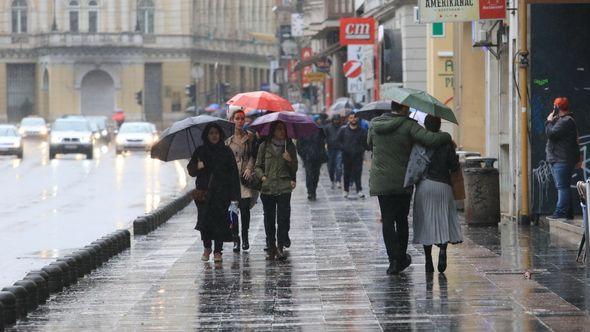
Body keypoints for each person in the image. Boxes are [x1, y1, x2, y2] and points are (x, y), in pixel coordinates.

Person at [368, 101, 452, 275]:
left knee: (387, 221)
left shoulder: (375, 125)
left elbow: (368, 143)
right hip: (402, 181)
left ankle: (393, 262)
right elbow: (431, 139)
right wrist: (447, 137)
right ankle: (401, 258)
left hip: (381, 181)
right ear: (404, 108)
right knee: (401, 220)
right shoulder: (408, 125)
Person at [411, 115, 463, 273]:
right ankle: (442, 251)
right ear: (440, 125)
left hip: (424, 186)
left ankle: (428, 259)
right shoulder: (447, 143)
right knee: (443, 221)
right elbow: (454, 166)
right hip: (444, 187)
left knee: (426, 222)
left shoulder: (419, 143)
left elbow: (413, 165)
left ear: (425, 126)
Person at [187, 123, 240, 263]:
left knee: (220, 223)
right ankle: (207, 247)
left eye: (216, 133)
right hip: (204, 194)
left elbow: (233, 174)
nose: (214, 136)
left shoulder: (226, 151)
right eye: (211, 133)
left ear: (220, 134)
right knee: (204, 224)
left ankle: (218, 251)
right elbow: (191, 171)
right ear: (207, 135)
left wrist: (235, 196)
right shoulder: (200, 151)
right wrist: (197, 167)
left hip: (221, 194)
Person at [255, 121, 298, 260]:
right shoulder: (264, 146)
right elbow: (257, 166)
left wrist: (289, 159)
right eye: (279, 129)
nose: (282, 132)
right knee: (269, 219)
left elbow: (295, 168)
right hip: (267, 188)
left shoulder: (289, 146)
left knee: (283, 218)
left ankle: (280, 246)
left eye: (283, 129)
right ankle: (271, 246)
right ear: (273, 131)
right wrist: (262, 178)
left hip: (284, 187)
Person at [226, 106, 257, 252]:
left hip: (245, 178)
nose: (239, 121)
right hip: (231, 179)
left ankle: (245, 237)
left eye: (242, 119)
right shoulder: (227, 139)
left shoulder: (250, 136)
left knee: (245, 209)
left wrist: (249, 168)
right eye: (237, 119)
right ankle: (235, 239)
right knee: (233, 210)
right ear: (231, 120)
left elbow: (253, 155)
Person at [546, 97, 580, 221]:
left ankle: (560, 212)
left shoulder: (565, 121)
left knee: (562, 187)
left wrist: (549, 121)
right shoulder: (563, 120)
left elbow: (551, 134)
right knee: (564, 186)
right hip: (560, 159)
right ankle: (568, 212)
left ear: (557, 107)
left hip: (561, 159)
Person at [337, 112, 368, 198]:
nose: (353, 120)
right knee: (346, 173)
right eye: (351, 118)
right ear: (348, 119)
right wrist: (343, 148)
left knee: (358, 173)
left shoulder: (362, 131)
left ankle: (359, 190)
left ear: (357, 119)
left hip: (358, 155)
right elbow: (338, 141)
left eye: (354, 118)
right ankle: (346, 190)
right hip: (346, 155)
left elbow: (365, 143)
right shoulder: (343, 130)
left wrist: (362, 149)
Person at [297, 124, 327, 201]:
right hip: (308, 159)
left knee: (316, 175)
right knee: (309, 174)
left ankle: (314, 190)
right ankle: (310, 192)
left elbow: (322, 143)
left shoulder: (319, 131)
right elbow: (299, 146)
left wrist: (321, 153)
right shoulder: (302, 133)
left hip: (317, 158)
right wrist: (304, 155)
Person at [324, 114, 343, 189]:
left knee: (338, 166)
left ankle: (338, 180)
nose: (336, 121)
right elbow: (324, 136)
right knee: (330, 166)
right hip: (330, 149)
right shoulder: (327, 127)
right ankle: (332, 180)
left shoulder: (342, 128)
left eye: (338, 120)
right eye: (335, 120)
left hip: (339, 149)